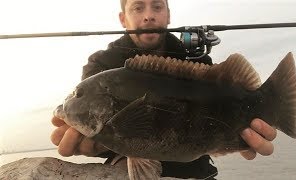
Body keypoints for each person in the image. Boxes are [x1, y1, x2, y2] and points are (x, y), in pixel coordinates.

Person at [51, 0, 277, 179]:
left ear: (168, 14)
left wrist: (245, 140)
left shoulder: (197, 61)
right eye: (138, 7)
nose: (148, 15)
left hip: (196, 172)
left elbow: (218, 116)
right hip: (123, 168)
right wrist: (98, 146)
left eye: (157, 6)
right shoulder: (100, 66)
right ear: (123, 18)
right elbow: (118, 137)